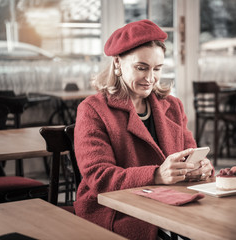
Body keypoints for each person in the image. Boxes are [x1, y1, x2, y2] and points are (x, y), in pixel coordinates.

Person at [74, 19, 214, 240]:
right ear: (118, 63)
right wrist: (157, 175)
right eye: (141, 68)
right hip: (118, 212)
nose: (150, 78)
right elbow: (99, 177)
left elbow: (189, 154)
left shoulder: (173, 106)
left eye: (157, 69)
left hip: (170, 205)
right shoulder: (93, 109)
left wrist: (200, 168)